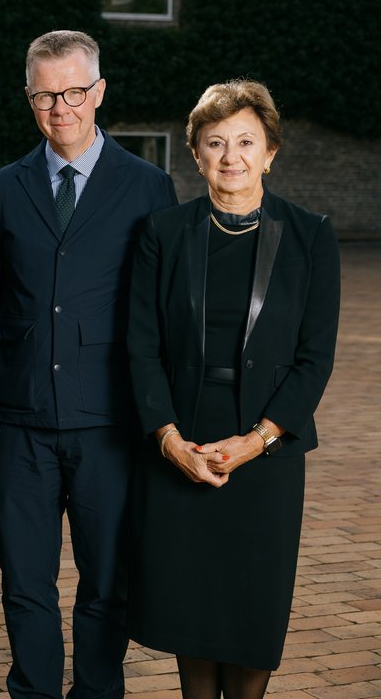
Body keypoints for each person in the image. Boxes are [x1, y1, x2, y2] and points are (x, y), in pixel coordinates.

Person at [0, 30, 178, 699]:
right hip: (21, 418)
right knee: (24, 581)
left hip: (110, 418)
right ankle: (33, 690)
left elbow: (161, 309)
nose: (60, 107)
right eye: (44, 94)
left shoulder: (149, 187)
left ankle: (98, 690)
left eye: (72, 92)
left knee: (107, 579)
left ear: (98, 92)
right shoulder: (2, 189)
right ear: (29, 97)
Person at [126, 80, 339, 699]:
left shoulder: (309, 235)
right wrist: (169, 441)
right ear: (196, 154)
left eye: (246, 141)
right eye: (215, 142)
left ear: (271, 151)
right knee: (192, 612)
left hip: (267, 451)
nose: (231, 156)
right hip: (182, 440)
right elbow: (139, 348)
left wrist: (259, 440)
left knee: (253, 610)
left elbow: (314, 358)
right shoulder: (163, 232)